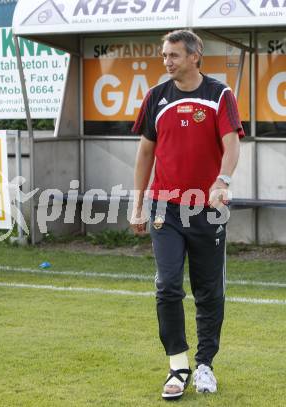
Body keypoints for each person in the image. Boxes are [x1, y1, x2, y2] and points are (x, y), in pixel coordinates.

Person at [130, 30, 243, 400]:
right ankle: (177, 365)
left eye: (174, 55)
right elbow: (145, 154)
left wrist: (222, 181)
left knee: (209, 290)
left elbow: (232, 144)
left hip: (208, 209)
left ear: (196, 56)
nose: (167, 62)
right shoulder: (156, 97)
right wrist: (137, 202)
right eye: (164, 55)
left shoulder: (219, 95)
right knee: (167, 286)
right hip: (165, 207)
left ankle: (206, 363)